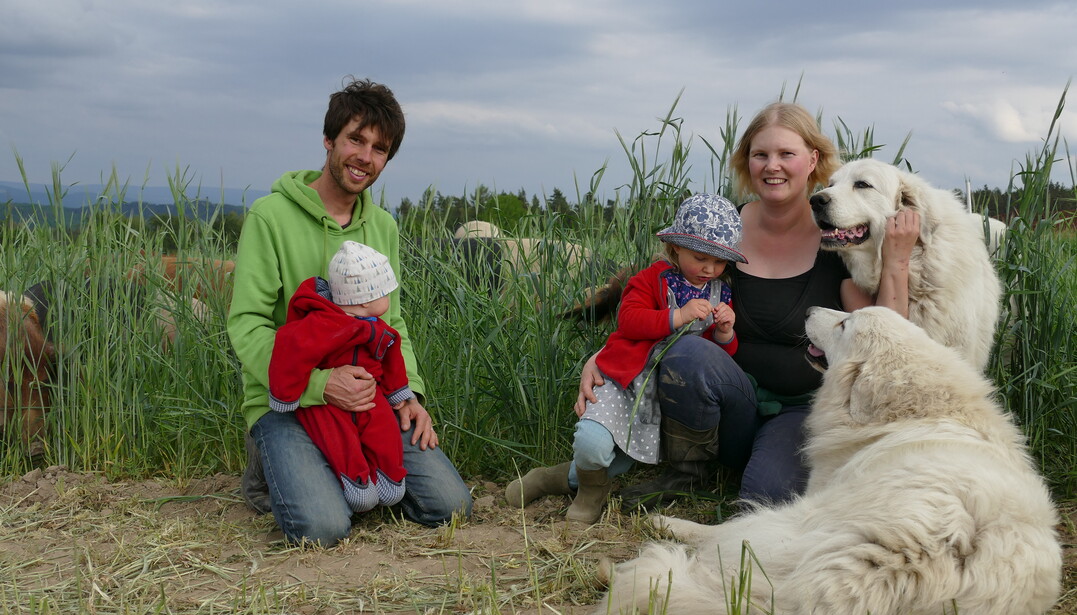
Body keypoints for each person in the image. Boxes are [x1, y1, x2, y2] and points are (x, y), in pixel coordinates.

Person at [515, 101, 919, 510]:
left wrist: (897, 259)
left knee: (766, 501)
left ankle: (752, 471)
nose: (771, 166)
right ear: (747, 161)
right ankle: (686, 474)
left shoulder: (836, 234)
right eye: (760, 154)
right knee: (690, 351)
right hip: (726, 407)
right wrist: (606, 354)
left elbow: (883, 331)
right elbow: (661, 292)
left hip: (800, 412)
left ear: (812, 159)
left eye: (786, 154)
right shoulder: (722, 229)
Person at [228, 77, 473, 546]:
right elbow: (248, 325)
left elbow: (392, 321)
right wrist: (321, 385)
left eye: (379, 149)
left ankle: (346, 477)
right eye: (355, 139)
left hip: (368, 397)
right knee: (323, 527)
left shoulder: (382, 227)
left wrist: (408, 396)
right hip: (291, 399)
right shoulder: (269, 217)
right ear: (329, 141)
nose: (365, 156)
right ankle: (269, 469)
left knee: (450, 505)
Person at [506, 194, 746, 523]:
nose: (710, 268)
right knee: (593, 442)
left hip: (661, 396)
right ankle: (588, 499)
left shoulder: (721, 292)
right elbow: (629, 321)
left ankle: (552, 478)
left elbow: (713, 362)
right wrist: (678, 316)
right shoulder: (651, 278)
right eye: (701, 257)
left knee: (617, 461)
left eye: (719, 262)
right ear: (676, 248)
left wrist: (724, 333)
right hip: (623, 379)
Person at [268, 241, 416, 514]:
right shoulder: (321, 325)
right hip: (327, 403)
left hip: (371, 394)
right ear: (365, 299)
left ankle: (389, 476)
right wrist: (285, 396)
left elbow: (392, 353)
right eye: (385, 293)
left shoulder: (377, 328)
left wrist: (400, 392)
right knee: (338, 438)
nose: (390, 298)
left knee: (384, 429)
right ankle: (357, 482)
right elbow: (289, 350)